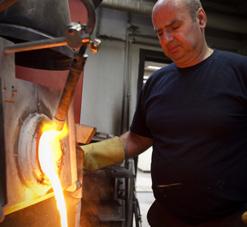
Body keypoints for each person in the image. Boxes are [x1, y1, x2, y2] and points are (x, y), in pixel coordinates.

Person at [82, 0, 247, 226]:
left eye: (174, 27)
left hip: (228, 221)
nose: (166, 39)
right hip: (166, 218)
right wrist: (85, 156)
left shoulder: (239, 72)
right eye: (160, 33)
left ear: (200, 19)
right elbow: (137, 138)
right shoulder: (157, 82)